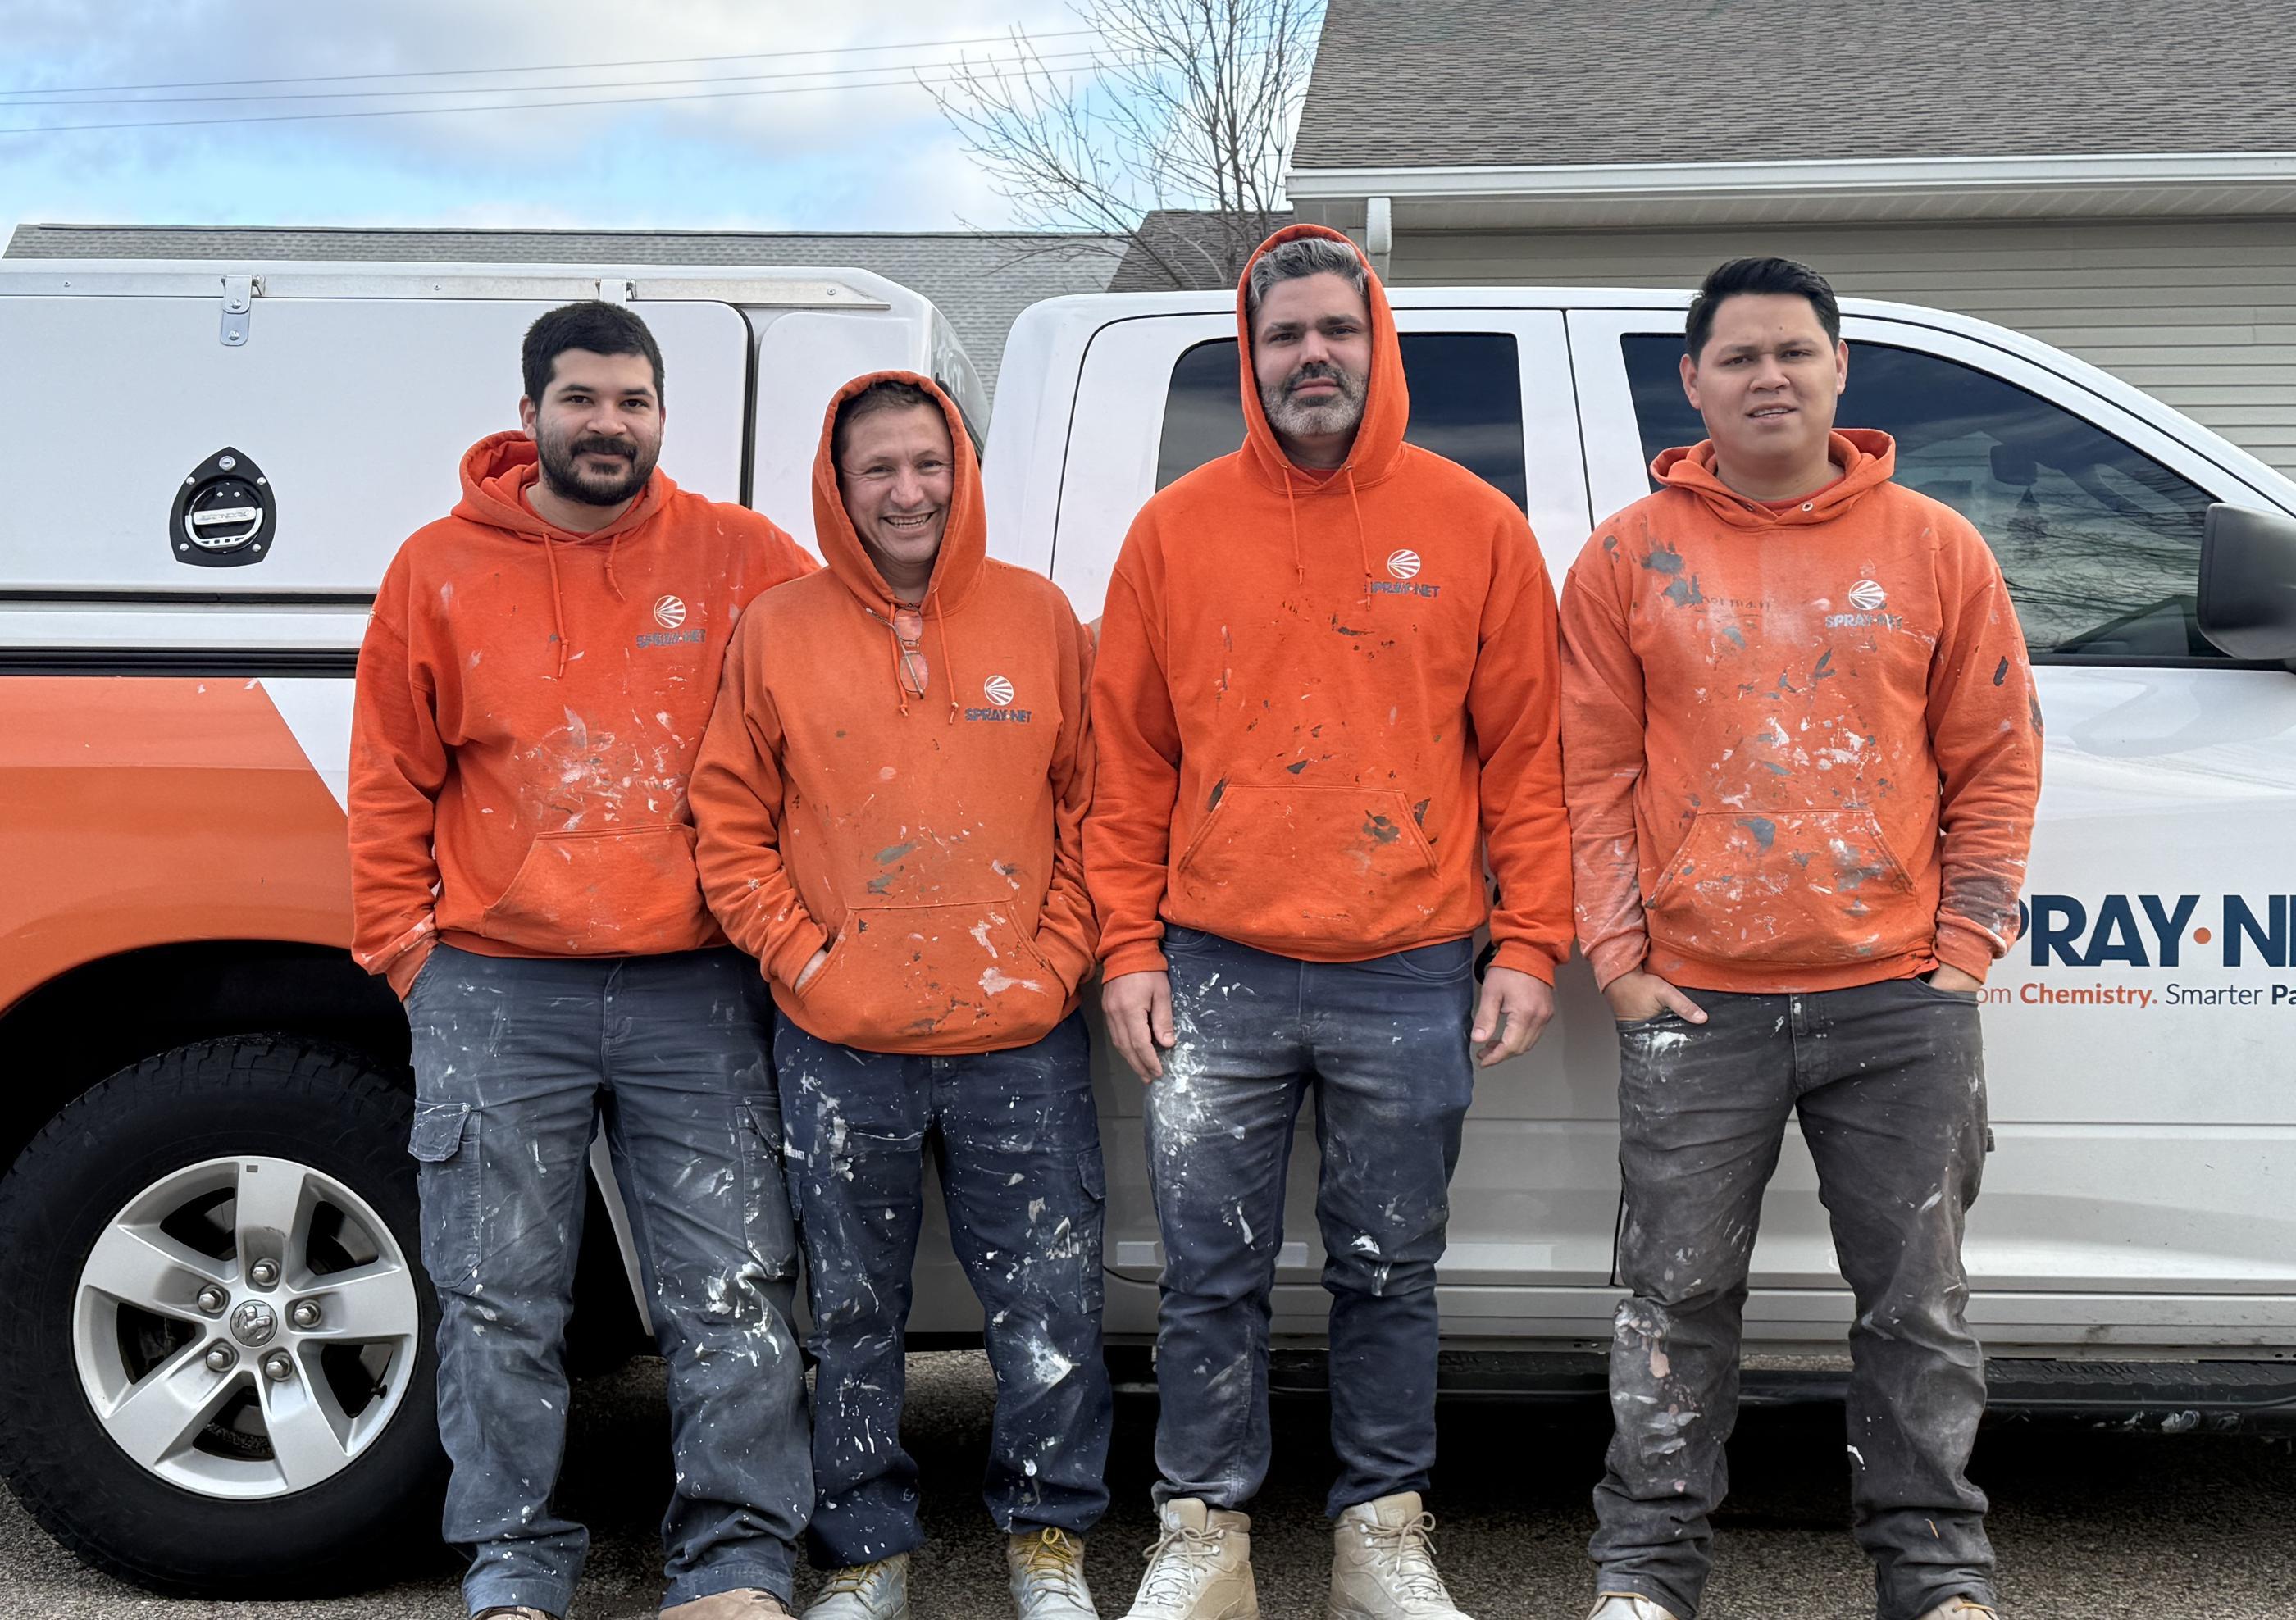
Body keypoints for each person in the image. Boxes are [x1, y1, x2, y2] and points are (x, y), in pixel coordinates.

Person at [1086, 225, 1573, 1620]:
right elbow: (1128, 764)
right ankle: (1204, 1537)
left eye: (1336, 330)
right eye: (1286, 334)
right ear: (1250, 358)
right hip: (1215, 969)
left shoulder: (1476, 527)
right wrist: (1127, 947)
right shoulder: (1174, 532)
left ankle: (1380, 1536)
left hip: (1411, 969)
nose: (1313, 355)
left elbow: (1527, 760)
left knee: (1389, 1269)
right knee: (1208, 1276)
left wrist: (1530, 939)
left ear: (1379, 344)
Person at [1559, 257, 2040, 1620]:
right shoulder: (1626, 558)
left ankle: (1936, 1576)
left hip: (1898, 1002)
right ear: (1692, 382)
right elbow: (1587, 772)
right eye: (1739, 356)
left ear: (1838, 369)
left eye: (1793, 351)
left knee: (1917, 1306)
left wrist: (1963, 950)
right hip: (1695, 1006)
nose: (1768, 376)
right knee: (1673, 1303)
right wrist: (1620, 962)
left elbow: (1997, 758)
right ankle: (1646, 1575)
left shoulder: (1937, 548)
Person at [348, 301, 818, 1620]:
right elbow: (388, 777)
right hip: (497, 989)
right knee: (499, 1297)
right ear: (530, 414)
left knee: (733, 1288)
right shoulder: (436, 568)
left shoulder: (739, 555)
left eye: (633, 402)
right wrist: (410, 958)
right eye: (582, 399)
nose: (609, 425)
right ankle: (513, 1566)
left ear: (662, 416)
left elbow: (830, 679)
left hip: (697, 986)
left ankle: (734, 1565)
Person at [692, 372, 1110, 1620]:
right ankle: (866, 1551)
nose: (908, 491)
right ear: (839, 484)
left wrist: (1053, 962)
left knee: (1048, 1301)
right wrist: (807, 961)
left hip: (1020, 1038)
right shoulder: (776, 629)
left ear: (963, 472)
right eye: (878, 468)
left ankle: (1049, 1541)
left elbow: (1095, 809)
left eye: (929, 463)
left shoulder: (1041, 619)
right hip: (840, 1043)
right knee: (853, 1309)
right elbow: (729, 822)